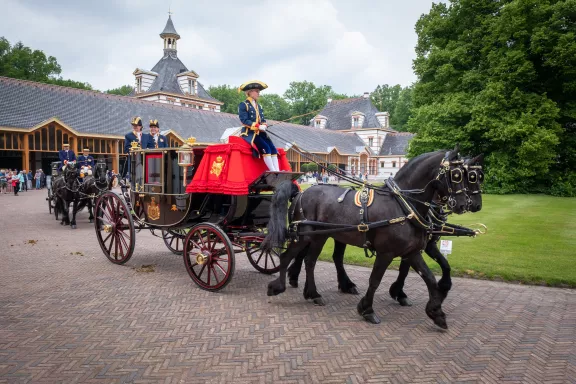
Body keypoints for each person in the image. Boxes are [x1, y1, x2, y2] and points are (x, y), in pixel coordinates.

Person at [237, 80, 279, 172]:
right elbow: (244, 120)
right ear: (250, 92)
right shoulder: (243, 105)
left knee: (273, 149)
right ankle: (273, 171)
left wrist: (264, 125)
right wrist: (257, 126)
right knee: (266, 148)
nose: (258, 93)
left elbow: (262, 119)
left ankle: (278, 170)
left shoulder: (258, 106)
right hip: (249, 133)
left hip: (260, 132)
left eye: (258, 91)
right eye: (257, 91)